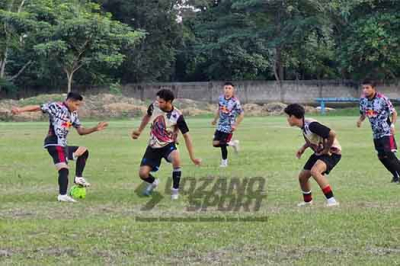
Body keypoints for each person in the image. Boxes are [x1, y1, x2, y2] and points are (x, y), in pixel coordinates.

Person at [11, 92, 108, 202]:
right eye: (76, 105)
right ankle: (62, 195)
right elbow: (37, 107)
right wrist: (20, 110)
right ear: (70, 101)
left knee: (83, 151)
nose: (78, 108)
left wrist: (95, 128)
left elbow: (81, 131)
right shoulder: (56, 106)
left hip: (63, 145)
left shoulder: (73, 114)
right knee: (63, 169)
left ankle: (78, 177)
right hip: (53, 143)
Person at [131, 89, 201, 200]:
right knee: (143, 174)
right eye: (157, 100)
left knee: (176, 159)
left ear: (169, 102)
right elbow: (147, 116)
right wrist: (139, 131)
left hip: (168, 144)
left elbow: (187, 136)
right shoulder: (154, 106)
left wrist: (193, 157)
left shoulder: (177, 115)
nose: (158, 103)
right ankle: (154, 182)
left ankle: (175, 191)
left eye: (161, 102)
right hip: (153, 145)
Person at [284, 104, 341, 207]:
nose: (287, 119)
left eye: (288, 116)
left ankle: (332, 201)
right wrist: (303, 148)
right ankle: (308, 201)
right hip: (319, 153)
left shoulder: (311, 125)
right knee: (302, 177)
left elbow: (332, 134)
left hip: (332, 152)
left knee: (315, 171)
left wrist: (327, 149)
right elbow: (312, 139)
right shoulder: (303, 126)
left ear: (293, 116)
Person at [357, 79, 400, 183]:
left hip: (386, 131)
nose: (365, 90)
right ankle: (395, 176)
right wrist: (360, 120)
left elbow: (394, 113)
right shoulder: (363, 100)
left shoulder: (382, 99)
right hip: (376, 133)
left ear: (373, 88)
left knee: (389, 153)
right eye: (363, 88)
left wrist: (393, 125)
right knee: (381, 156)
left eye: (367, 88)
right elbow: (364, 113)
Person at [211, 82, 244, 167]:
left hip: (229, 126)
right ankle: (233, 144)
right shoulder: (221, 99)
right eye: (226, 88)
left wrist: (235, 125)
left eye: (229, 88)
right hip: (220, 124)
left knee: (222, 144)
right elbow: (219, 110)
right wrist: (215, 120)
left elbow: (241, 114)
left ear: (233, 90)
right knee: (215, 143)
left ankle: (224, 163)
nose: (227, 90)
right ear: (223, 89)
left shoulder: (235, 101)